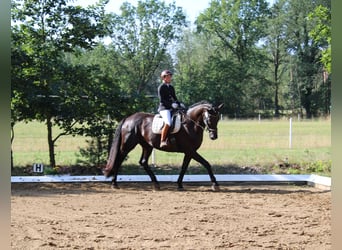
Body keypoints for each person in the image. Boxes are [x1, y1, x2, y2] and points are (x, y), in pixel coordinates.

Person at [157, 69, 180, 148]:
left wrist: (179, 104)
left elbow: (175, 98)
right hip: (164, 108)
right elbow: (162, 100)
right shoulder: (161, 87)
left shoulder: (171, 87)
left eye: (170, 76)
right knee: (168, 122)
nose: (170, 78)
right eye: (168, 76)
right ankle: (162, 140)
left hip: (171, 108)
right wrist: (171, 104)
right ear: (164, 78)